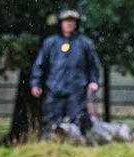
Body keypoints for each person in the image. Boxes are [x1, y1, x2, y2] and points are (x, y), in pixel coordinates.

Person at [30, 7, 101, 140]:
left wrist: (94, 81)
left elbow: (93, 66)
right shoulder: (50, 43)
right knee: (51, 123)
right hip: (54, 90)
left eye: (72, 21)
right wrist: (35, 83)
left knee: (79, 122)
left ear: (76, 23)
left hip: (76, 91)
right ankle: (49, 148)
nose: (69, 23)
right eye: (66, 20)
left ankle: (80, 150)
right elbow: (40, 65)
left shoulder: (85, 43)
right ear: (60, 23)